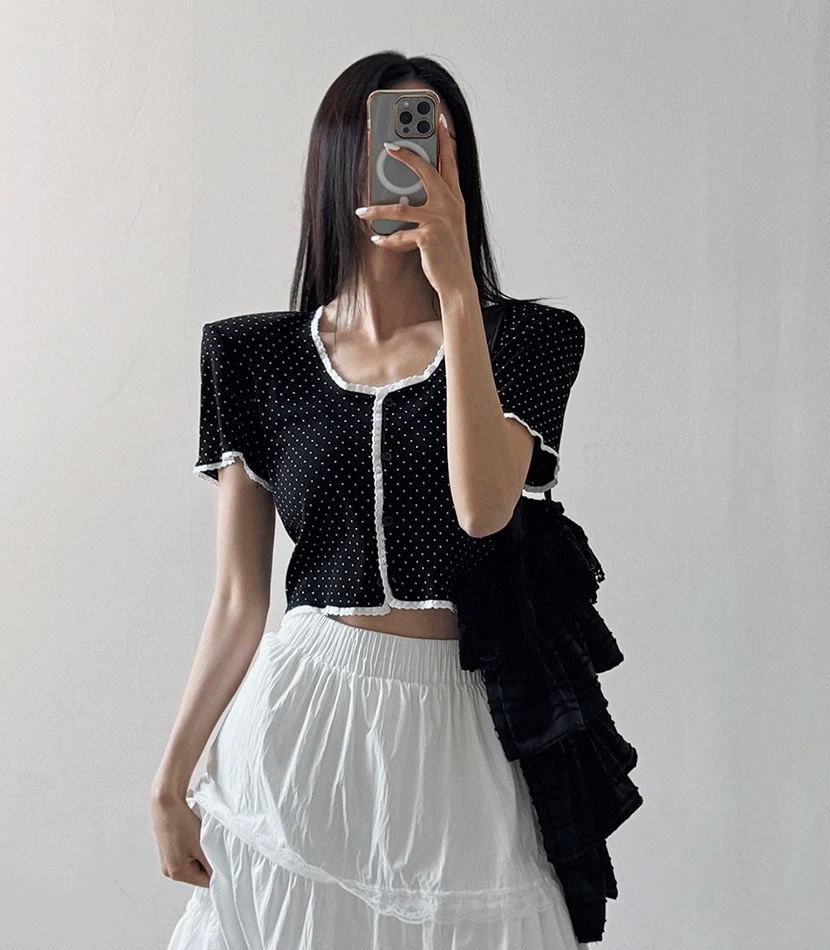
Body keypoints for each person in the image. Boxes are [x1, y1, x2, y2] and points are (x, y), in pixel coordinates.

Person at [151, 51, 591, 949]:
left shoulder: (533, 339)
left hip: (461, 725)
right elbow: (237, 600)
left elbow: (483, 509)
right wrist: (170, 777)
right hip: (303, 721)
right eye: (388, 136)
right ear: (335, 160)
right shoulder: (251, 356)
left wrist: (457, 291)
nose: (411, 160)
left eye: (435, 139)